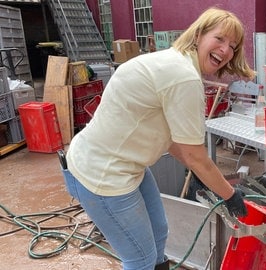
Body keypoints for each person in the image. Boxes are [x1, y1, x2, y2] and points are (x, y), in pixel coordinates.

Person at [60, 7, 255, 270]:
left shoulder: (173, 62)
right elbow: (195, 154)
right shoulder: (183, 77)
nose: (226, 50)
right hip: (102, 175)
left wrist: (200, 173)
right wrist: (229, 194)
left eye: (233, 46)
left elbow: (176, 141)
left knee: (159, 232)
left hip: (126, 166)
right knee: (139, 258)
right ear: (198, 35)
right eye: (219, 38)